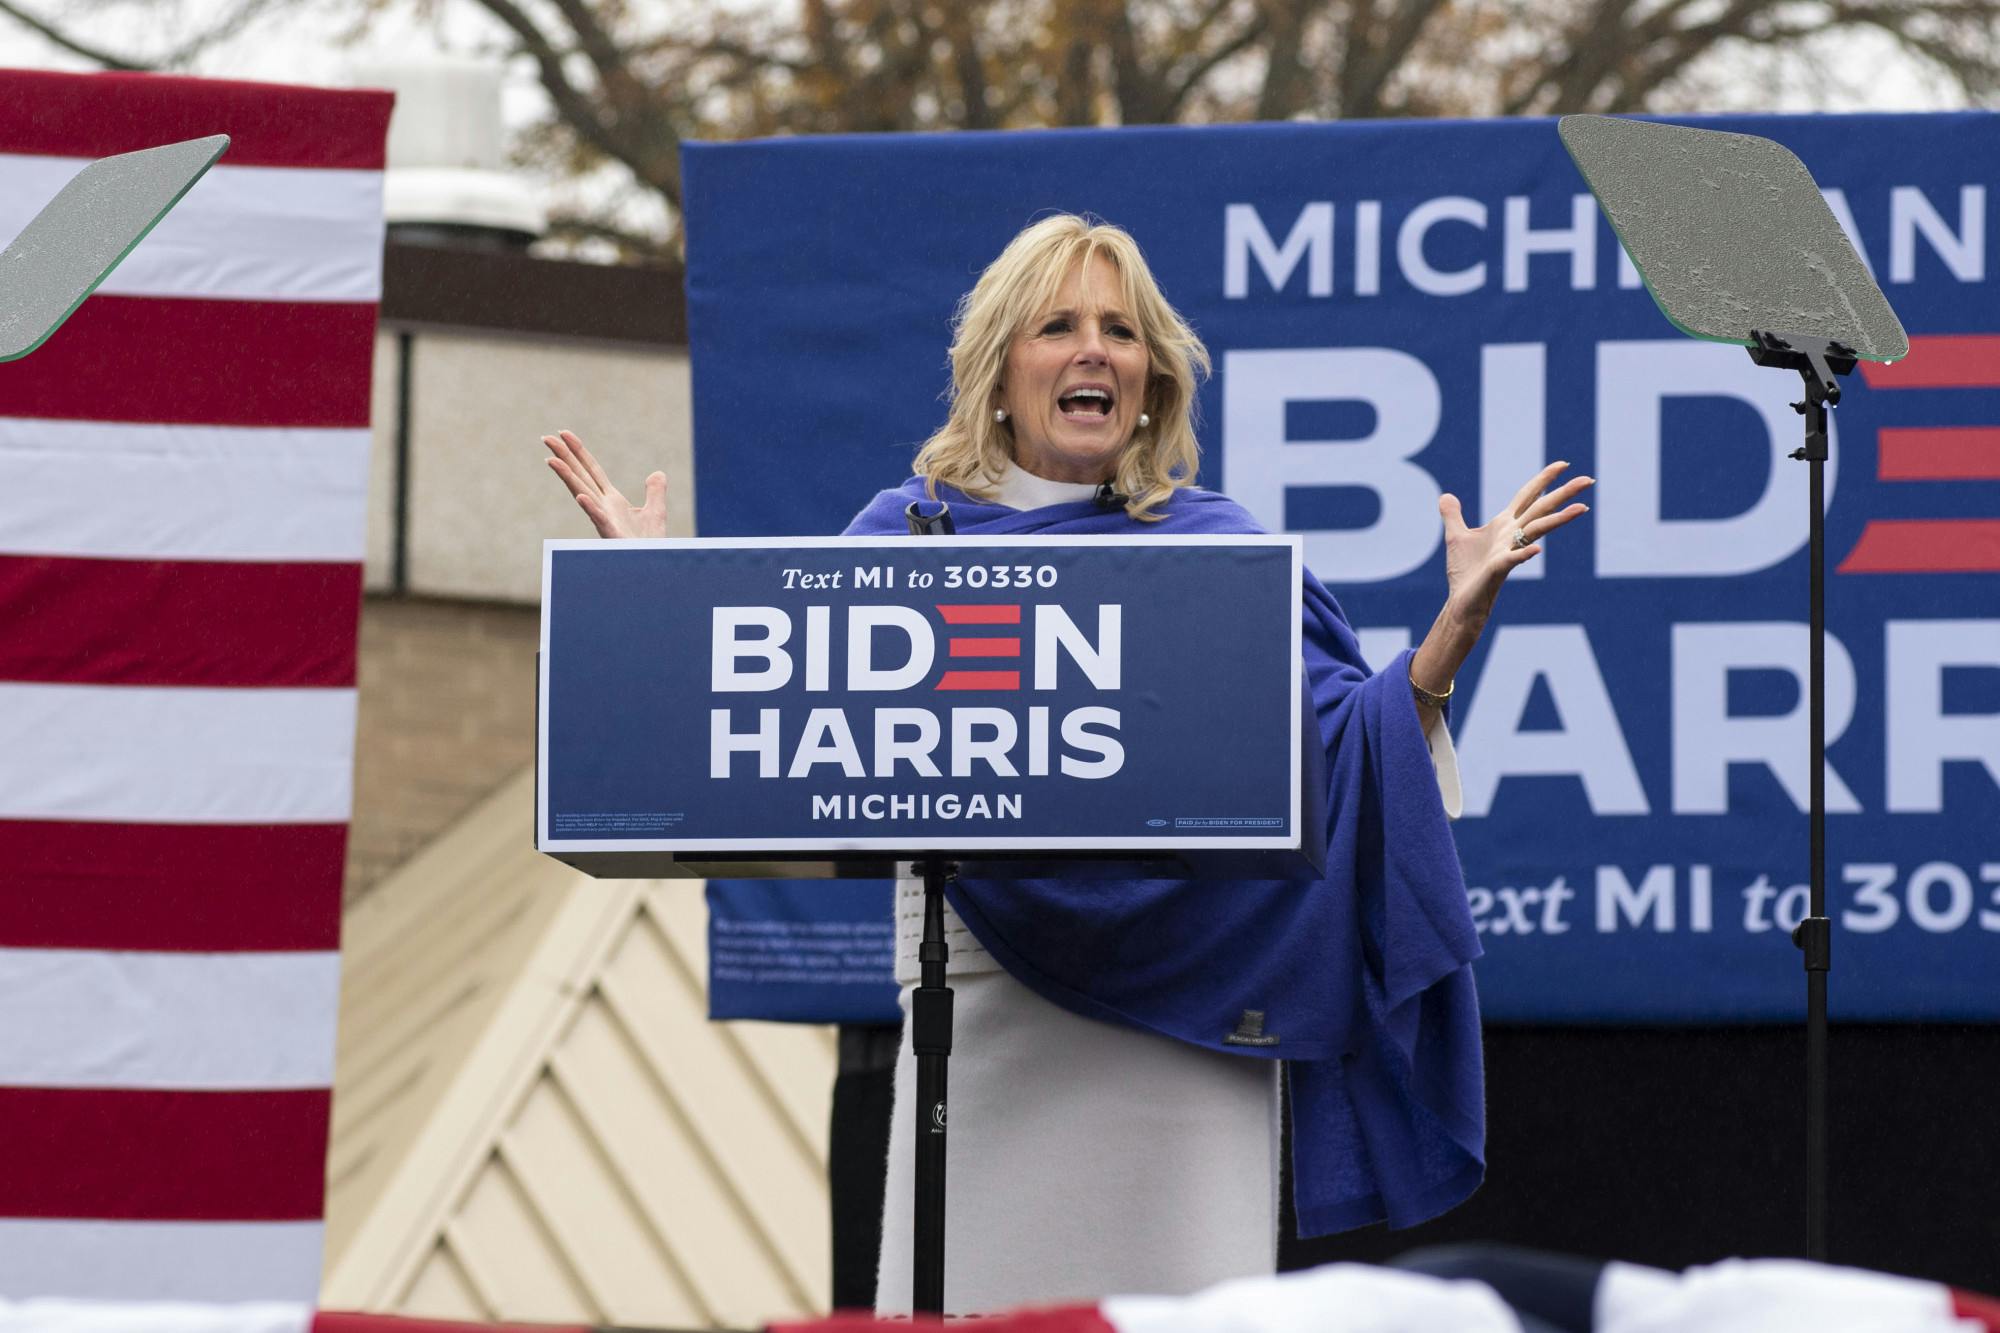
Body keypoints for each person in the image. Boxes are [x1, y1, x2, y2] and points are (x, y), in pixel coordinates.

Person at [541, 213, 1591, 1316]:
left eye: (1121, 331)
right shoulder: (903, 538)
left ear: (1151, 379)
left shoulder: (1216, 553)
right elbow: (796, 722)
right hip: (987, 1020)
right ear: (1000, 368)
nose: (1096, 349)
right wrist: (659, 612)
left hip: (1195, 1037)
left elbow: (1337, 752)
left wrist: (1441, 647)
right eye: (1058, 325)